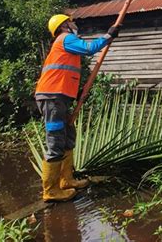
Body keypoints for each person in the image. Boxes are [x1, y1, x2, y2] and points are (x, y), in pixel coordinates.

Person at [35, 14, 117, 202]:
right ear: (63, 26)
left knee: (68, 137)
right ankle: (50, 191)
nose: (74, 24)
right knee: (55, 141)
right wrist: (108, 35)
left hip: (59, 97)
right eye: (70, 21)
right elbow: (89, 49)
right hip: (52, 97)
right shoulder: (65, 38)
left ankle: (66, 180)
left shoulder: (64, 42)